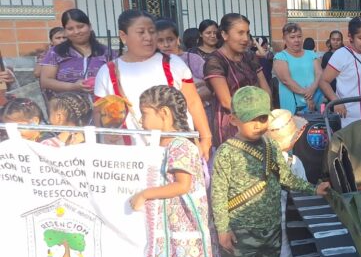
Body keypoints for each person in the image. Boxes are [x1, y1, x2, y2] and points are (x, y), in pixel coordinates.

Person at [211, 87, 329, 257]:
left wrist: (313, 189)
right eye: (251, 119)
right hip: (241, 230)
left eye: (262, 118)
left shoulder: (270, 146)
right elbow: (218, 194)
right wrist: (223, 229)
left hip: (270, 227)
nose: (257, 124)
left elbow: (285, 177)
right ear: (234, 120)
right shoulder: (227, 153)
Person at [129, 86, 224, 257]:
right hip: (164, 226)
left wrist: (146, 194)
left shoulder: (181, 145)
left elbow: (182, 185)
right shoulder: (158, 143)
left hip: (186, 226)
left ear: (164, 113)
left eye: (145, 113)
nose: (141, 120)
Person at [93, 10, 212, 159]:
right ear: (123, 36)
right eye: (141, 32)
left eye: (151, 31)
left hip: (176, 155)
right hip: (129, 157)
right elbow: (99, 112)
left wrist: (206, 138)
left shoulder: (173, 63)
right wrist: (105, 136)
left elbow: (193, 102)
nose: (148, 38)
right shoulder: (107, 72)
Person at [204, 13, 271, 148]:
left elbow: (266, 91)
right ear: (224, 35)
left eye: (247, 33)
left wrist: (265, 116)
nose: (245, 38)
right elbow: (226, 101)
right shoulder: (215, 61)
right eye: (240, 33)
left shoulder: (249, 57)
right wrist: (251, 119)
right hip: (232, 124)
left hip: (258, 121)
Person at [266, 109, 308, 257]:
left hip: (259, 215)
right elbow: (304, 188)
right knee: (284, 246)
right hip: (282, 214)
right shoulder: (293, 161)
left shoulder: (258, 158)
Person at [319, 16, 361, 127]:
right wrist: (335, 101)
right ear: (350, 37)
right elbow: (323, 81)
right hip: (351, 120)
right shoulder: (341, 55)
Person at [39, 9, 111, 98]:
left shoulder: (105, 52)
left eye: (80, 26)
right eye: (70, 29)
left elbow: (115, 80)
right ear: (65, 31)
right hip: (68, 108)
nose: (76, 32)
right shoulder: (56, 52)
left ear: (90, 26)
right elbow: (45, 81)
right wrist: (73, 87)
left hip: (102, 107)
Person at [273, 23, 322, 114]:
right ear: (284, 39)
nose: (297, 40)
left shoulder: (312, 55)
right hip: (293, 106)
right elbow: (286, 80)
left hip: (315, 102)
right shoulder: (281, 57)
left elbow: (319, 74)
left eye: (299, 36)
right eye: (292, 37)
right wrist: (308, 95)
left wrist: (312, 89)